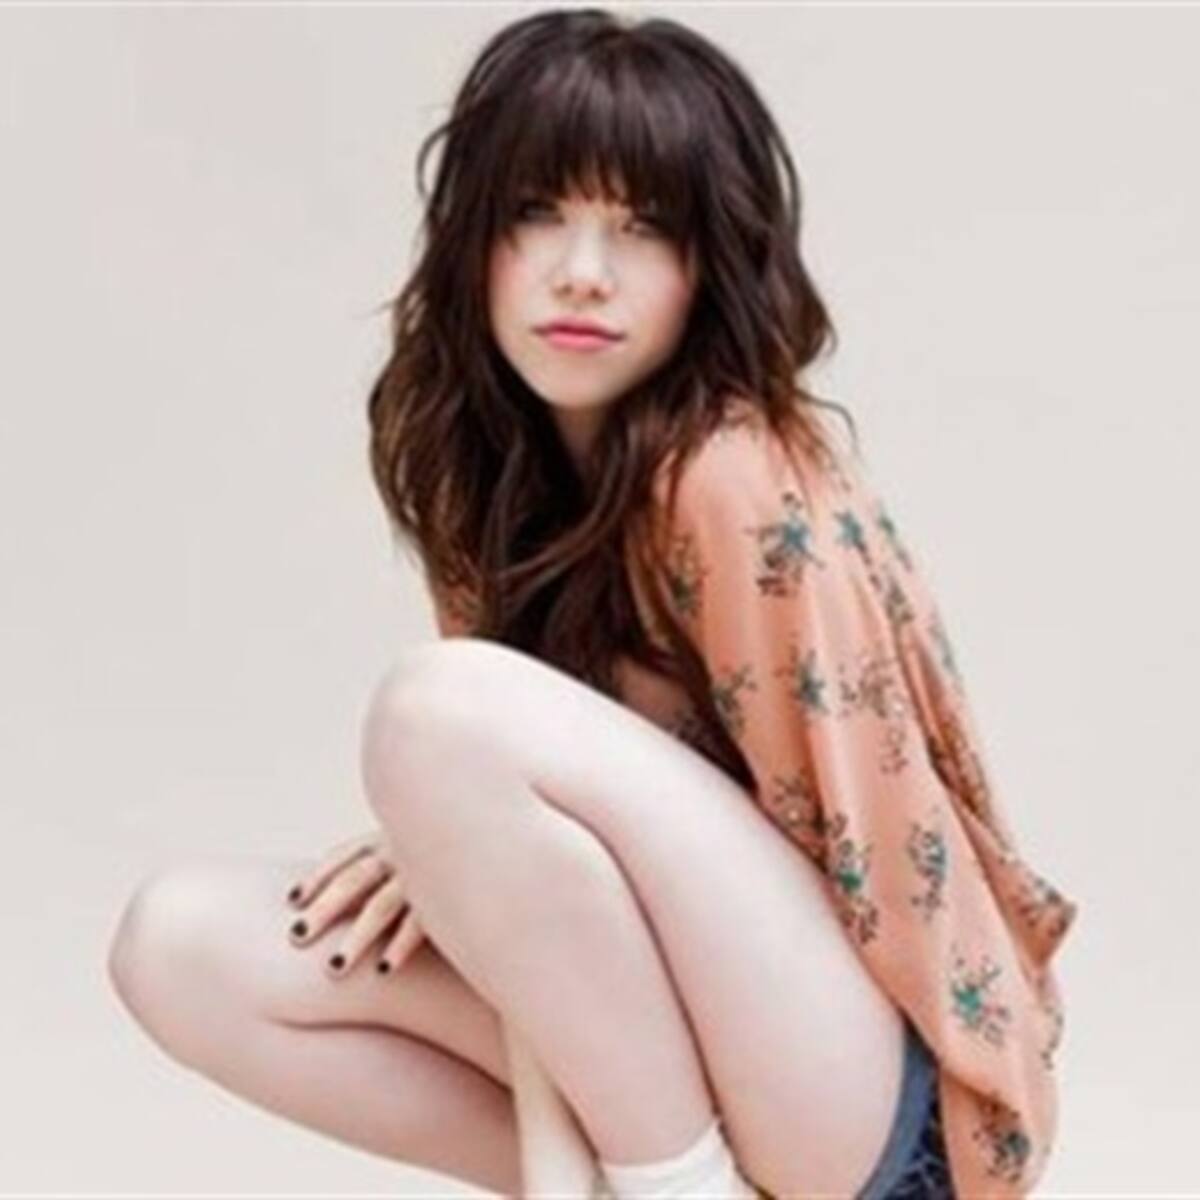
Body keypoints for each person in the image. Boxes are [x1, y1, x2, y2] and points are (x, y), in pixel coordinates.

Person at [106, 8, 1079, 1199]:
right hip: (686, 1076)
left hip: (883, 1103)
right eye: (536, 212)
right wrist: (460, 857)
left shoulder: (727, 476)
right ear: (474, 237)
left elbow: (869, 876)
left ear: (709, 266)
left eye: (642, 228)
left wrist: (468, 812)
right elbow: (555, 955)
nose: (582, 271)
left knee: (437, 715)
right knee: (180, 942)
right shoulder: (481, 470)